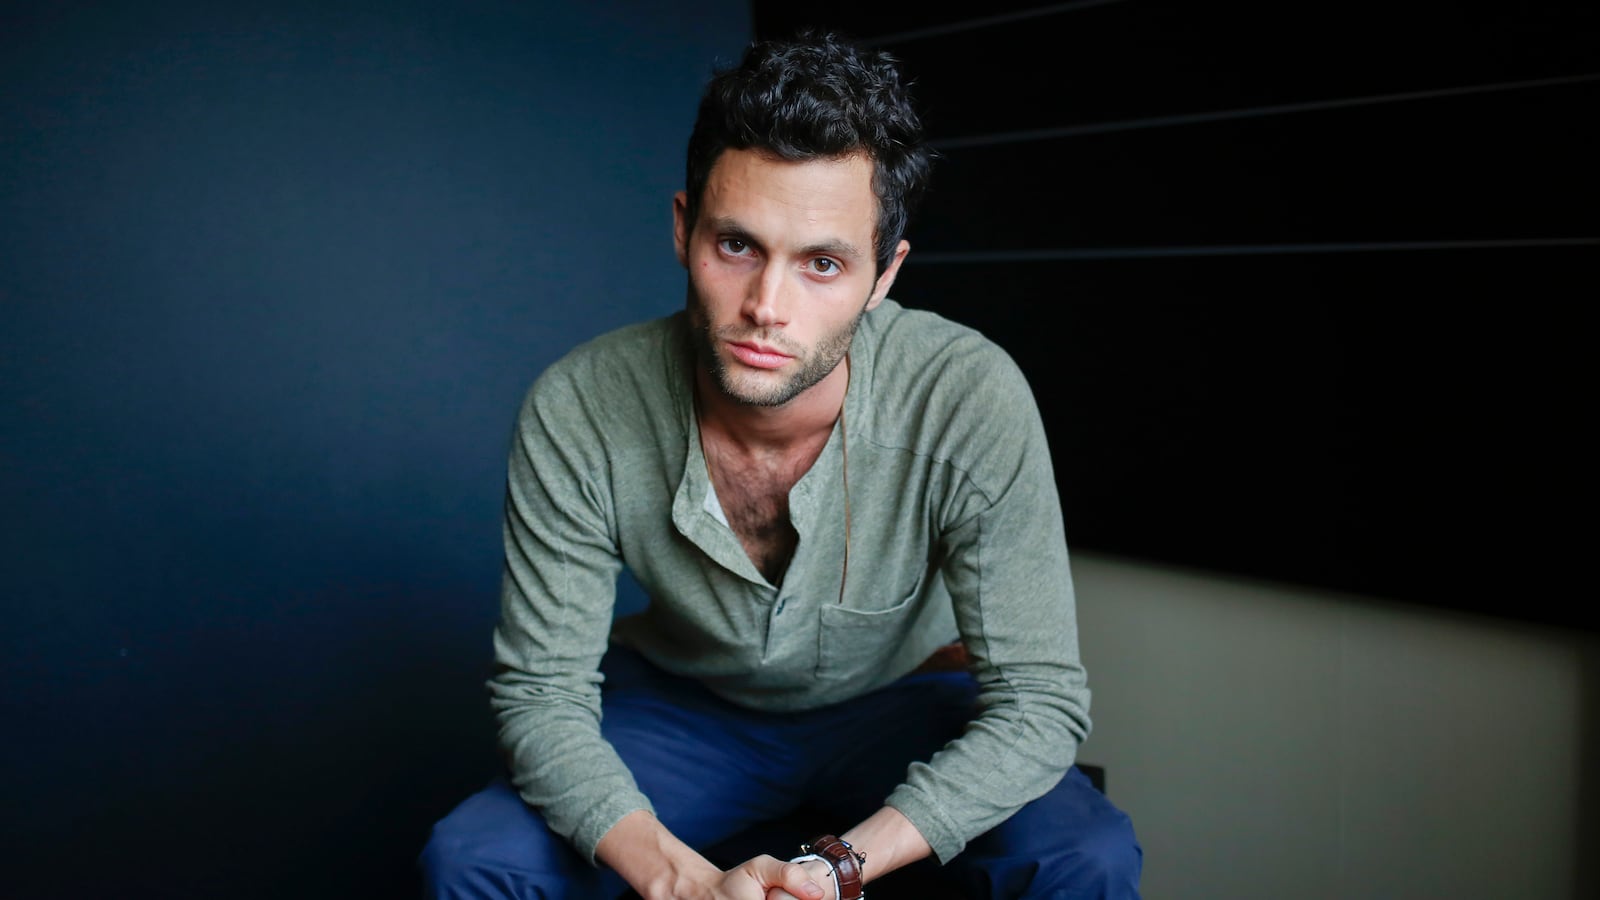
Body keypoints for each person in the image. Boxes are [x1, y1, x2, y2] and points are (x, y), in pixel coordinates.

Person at [420, 29, 1142, 900]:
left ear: (883, 277)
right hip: (686, 709)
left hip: (901, 703)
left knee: (1085, 858)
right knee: (472, 860)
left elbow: (1040, 703)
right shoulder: (578, 406)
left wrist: (837, 867)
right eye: (736, 246)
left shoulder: (968, 395)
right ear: (685, 229)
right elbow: (541, 693)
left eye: (824, 264)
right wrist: (678, 880)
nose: (767, 306)